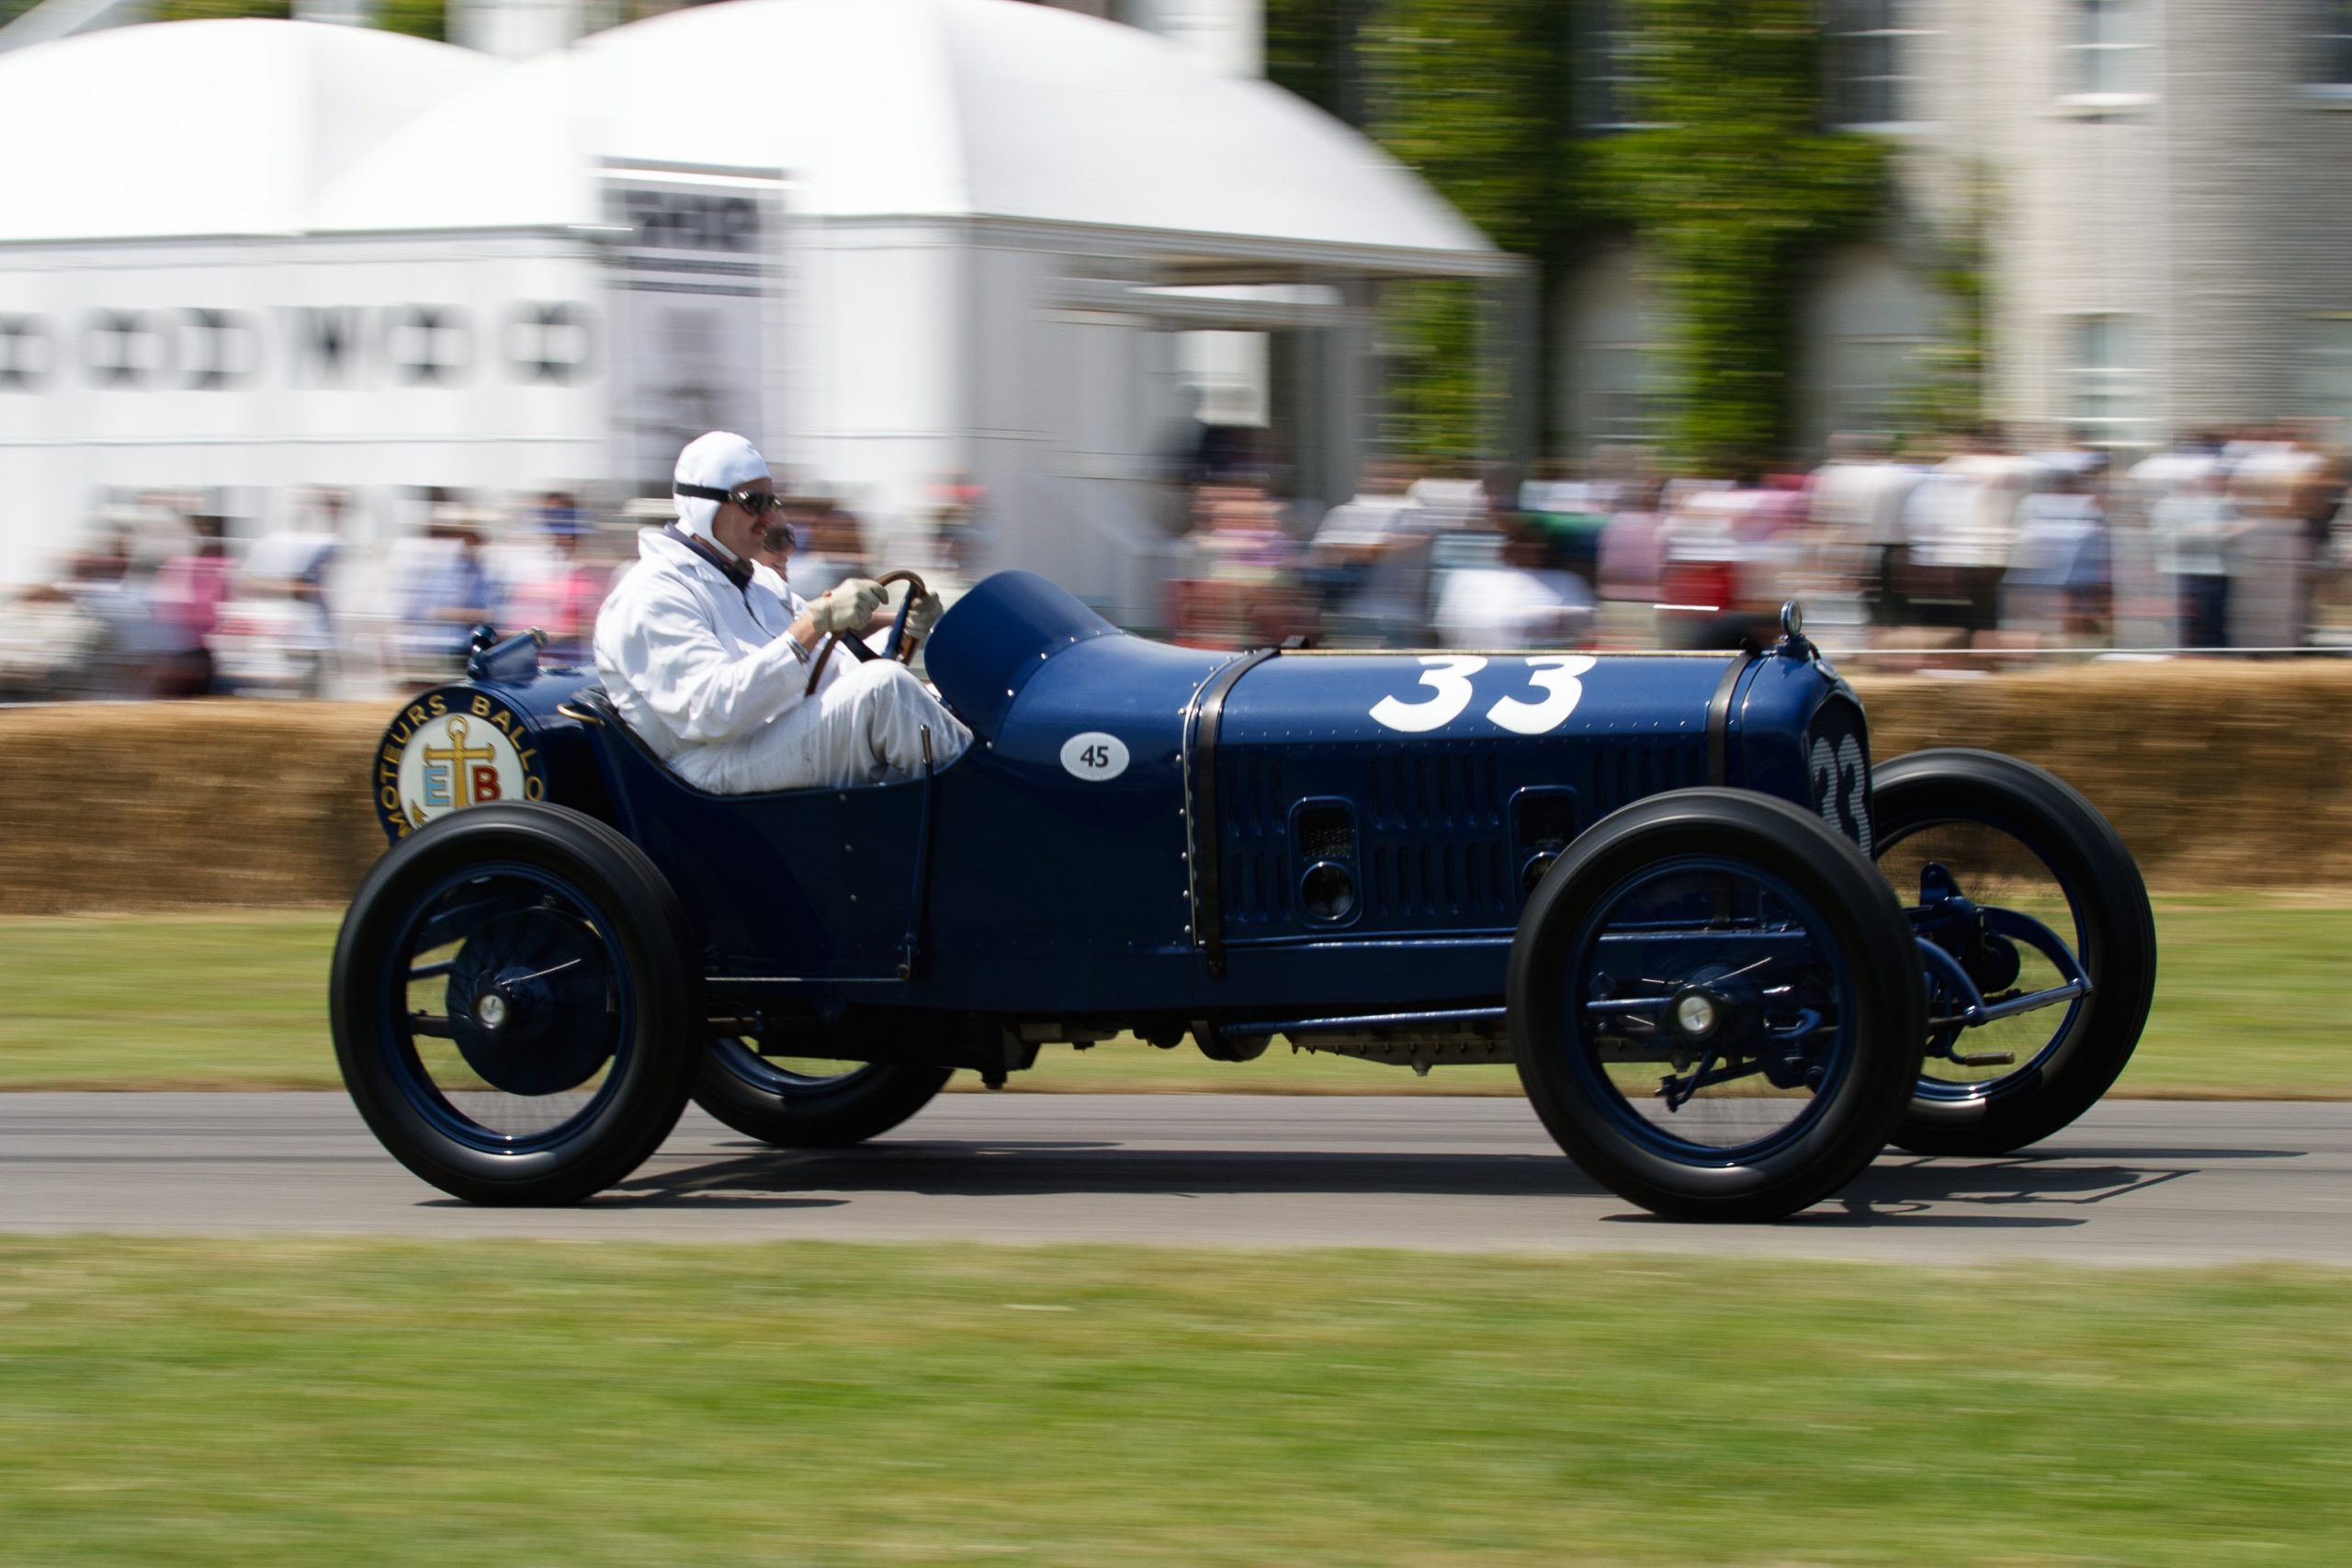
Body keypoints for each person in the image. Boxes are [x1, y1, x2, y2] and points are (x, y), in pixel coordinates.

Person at [594, 431, 970, 794]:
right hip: (709, 767)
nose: (770, 516)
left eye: (772, 501)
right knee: (883, 691)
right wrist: (813, 623)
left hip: (771, 736)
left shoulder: (757, 580)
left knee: (945, 693)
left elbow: (833, 666)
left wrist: (904, 633)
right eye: (752, 501)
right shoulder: (650, 593)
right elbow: (712, 712)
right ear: (704, 505)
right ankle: (996, 809)